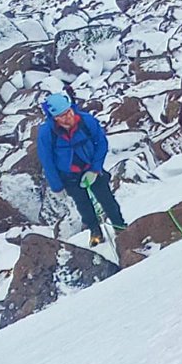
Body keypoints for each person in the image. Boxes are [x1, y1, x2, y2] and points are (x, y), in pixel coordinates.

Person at [37, 91, 127, 247]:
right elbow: (47, 160)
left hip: (91, 169)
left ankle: (120, 226)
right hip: (69, 176)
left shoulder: (87, 121)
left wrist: (95, 169)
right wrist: (57, 186)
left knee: (107, 200)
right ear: (54, 118)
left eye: (68, 112)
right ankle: (95, 232)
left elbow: (101, 143)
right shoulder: (46, 133)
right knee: (83, 205)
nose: (68, 117)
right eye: (62, 116)